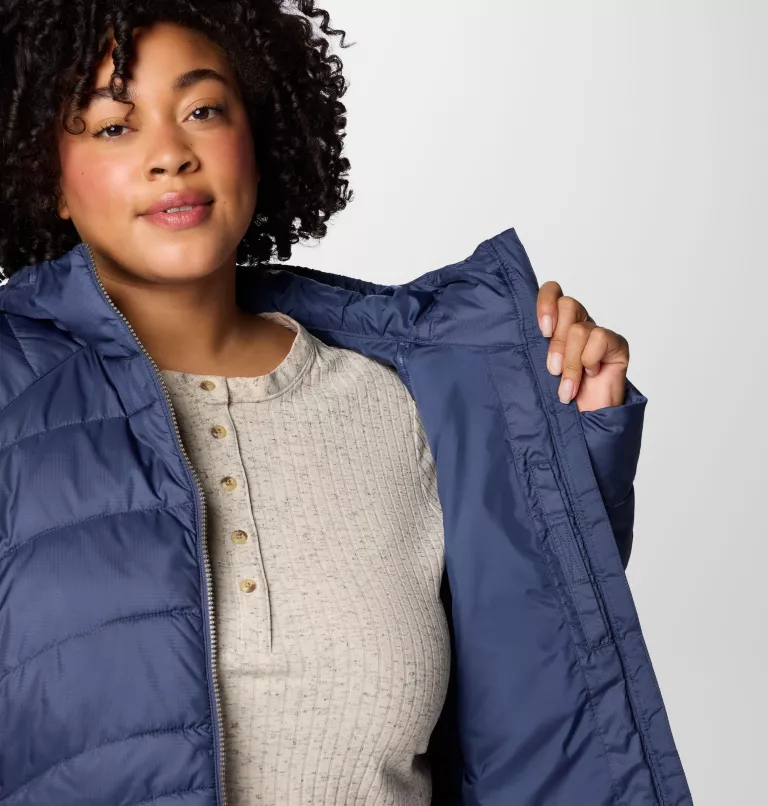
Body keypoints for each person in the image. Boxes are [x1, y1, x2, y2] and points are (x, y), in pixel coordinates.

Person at [0, 3, 692, 805]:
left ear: (257, 136)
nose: (170, 155)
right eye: (114, 127)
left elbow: (528, 702)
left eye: (203, 111)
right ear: (47, 175)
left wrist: (572, 449)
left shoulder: (397, 406)